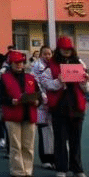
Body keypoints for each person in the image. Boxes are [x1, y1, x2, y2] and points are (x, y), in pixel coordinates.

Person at [39, 36, 89, 177]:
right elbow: (46, 84)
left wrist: (84, 82)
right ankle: (61, 168)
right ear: (59, 49)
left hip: (77, 106)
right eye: (64, 49)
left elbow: (86, 89)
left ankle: (77, 168)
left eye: (69, 49)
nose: (67, 51)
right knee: (60, 139)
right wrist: (59, 82)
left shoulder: (80, 63)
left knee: (75, 140)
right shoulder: (51, 66)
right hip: (59, 106)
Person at [0, 50, 42, 177]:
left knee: (28, 146)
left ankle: (27, 170)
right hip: (13, 115)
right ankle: (17, 171)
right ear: (11, 64)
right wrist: (11, 101)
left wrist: (37, 102)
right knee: (15, 146)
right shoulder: (4, 78)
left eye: (21, 62)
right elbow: (0, 97)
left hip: (29, 115)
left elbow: (39, 95)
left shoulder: (30, 78)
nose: (19, 65)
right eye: (16, 63)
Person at [31, 45, 55, 169]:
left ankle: (54, 158)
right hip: (41, 103)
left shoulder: (54, 66)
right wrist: (43, 97)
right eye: (45, 54)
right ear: (40, 55)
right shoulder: (36, 66)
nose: (47, 56)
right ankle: (45, 159)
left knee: (54, 132)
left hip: (53, 102)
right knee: (43, 131)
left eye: (49, 54)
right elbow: (36, 84)